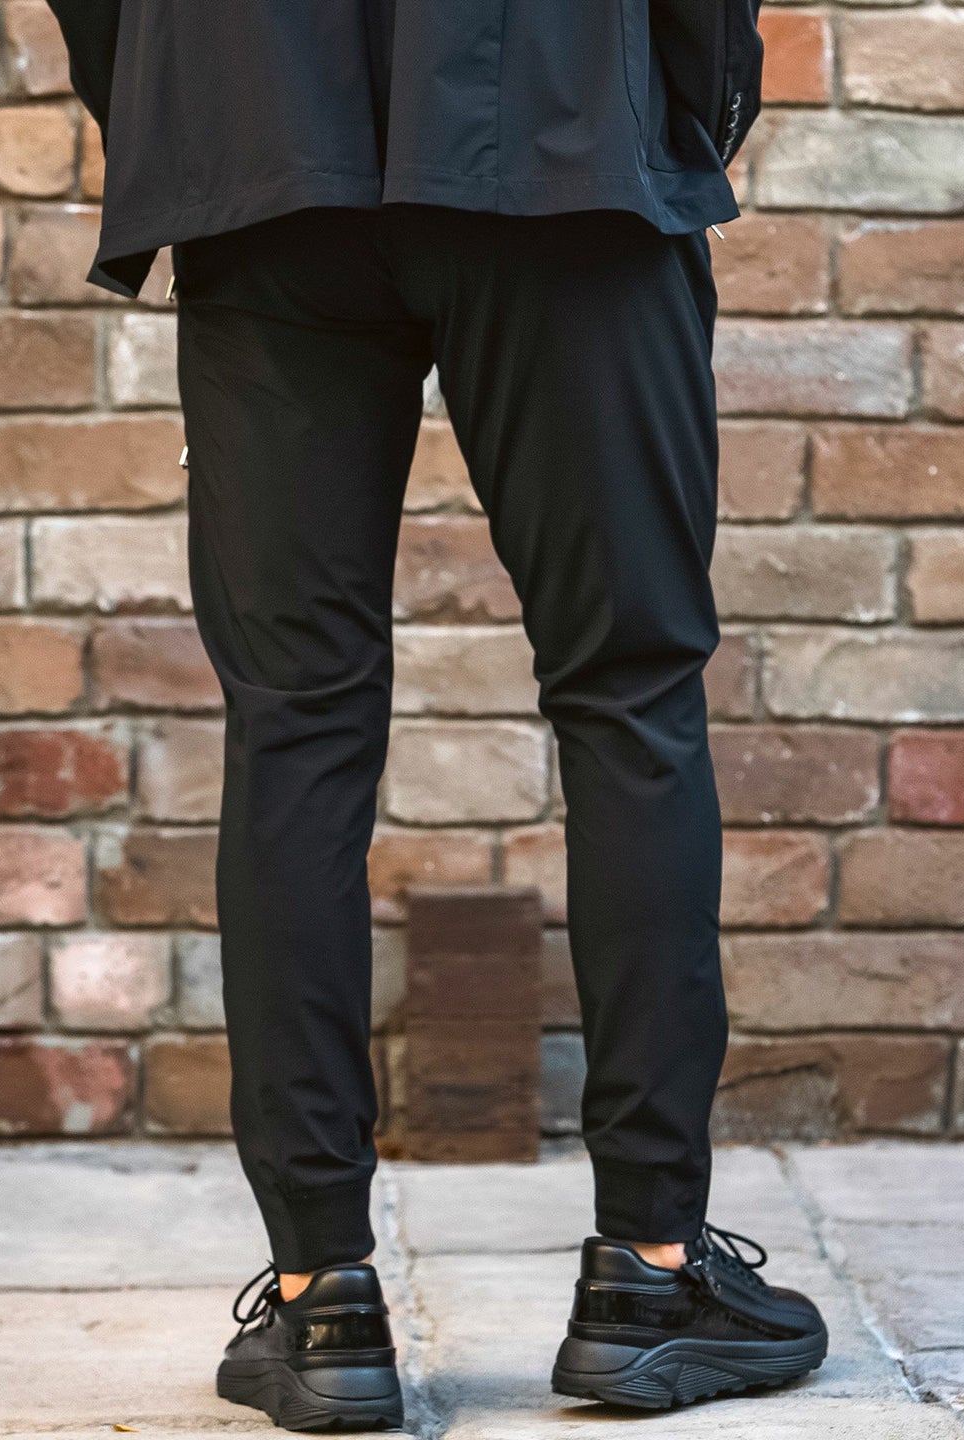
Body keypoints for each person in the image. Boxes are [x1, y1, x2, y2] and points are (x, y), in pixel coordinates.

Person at [47, 2, 827, 1430]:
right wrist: (683, 112)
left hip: (263, 139)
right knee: (629, 694)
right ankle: (649, 1274)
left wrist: (190, 99)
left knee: (295, 720)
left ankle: (320, 1301)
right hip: (562, 126)